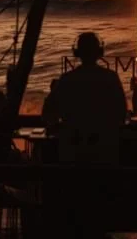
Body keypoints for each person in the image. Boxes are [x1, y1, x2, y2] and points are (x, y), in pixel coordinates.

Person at [41, 32, 127, 165]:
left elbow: (48, 113)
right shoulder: (110, 78)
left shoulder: (66, 79)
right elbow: (121, 113)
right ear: (99, 52)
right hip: (105, 152)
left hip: (72, 151)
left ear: (77, 52)